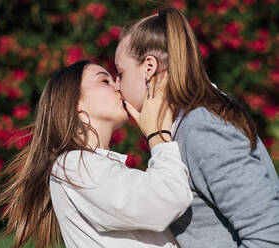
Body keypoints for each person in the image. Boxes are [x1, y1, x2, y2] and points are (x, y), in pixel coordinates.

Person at [114, 6, 279, 248]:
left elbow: (268, 235)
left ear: (149, 68)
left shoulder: (201, 126)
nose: (117, 85)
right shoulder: (190, 121)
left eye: (120, 73)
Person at [0, 60, 193, 248]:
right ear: (76, 102)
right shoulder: (73, 165)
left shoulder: (86, 166)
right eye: (105, 81)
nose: (118, 87)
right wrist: (158, 136)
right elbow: (168, 199)